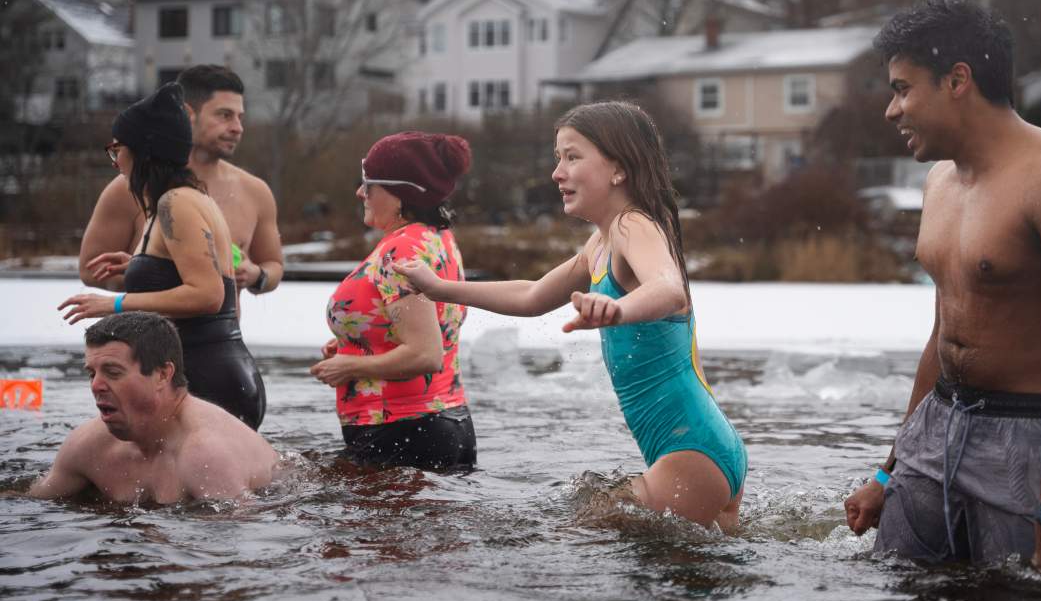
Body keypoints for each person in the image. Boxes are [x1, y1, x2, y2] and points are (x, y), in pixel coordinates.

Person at [842, 0, 1041, 573]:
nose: (892, 110)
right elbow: (943, 334)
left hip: (1025, 435)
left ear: (957, 80)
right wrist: (886, 471)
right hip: (936, 428)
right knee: (904, 596)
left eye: (902, 89)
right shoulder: (940, 181)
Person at [401, 102, 747, 531]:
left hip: (690, 453)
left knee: (570, 536)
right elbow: (531, 296)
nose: (556, 172)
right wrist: (440, 288)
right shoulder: (600, 243)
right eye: (557, 158)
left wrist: (618, 309)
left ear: (618, 169)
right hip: (702, 449)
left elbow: (668, 286)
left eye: (572, 156)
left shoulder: (632, 225)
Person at [58, 82, 268, 429]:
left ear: (142, 150)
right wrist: (141, 267)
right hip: (220, 376)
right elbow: (195, 271)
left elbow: (208, 295)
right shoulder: (179, 200)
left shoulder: (176, 204)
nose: (115, 160)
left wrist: (114, 304)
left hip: (209, 381)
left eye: (117, 149)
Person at [310, 132, 475, 470]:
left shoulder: (401, 251)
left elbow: (426, 353)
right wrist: (355, 343)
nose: (360, 193)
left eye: (368, 184)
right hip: (445, 420)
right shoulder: (438, 238)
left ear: (401, 194)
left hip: (401, 428)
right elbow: (428, 328)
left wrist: (350, 366)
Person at [28, 312, 277, 504]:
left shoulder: (205, 455)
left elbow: (246, 546)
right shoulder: (87, 446)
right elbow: (32, 505)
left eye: (113, 373)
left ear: (162, 375)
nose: (96, 385)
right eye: (91, 374)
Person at [79, 65, 283, 298]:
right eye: (224, 115)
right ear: (188, 113)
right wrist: (158, 277)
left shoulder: (255, 191)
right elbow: (89, 269)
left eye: (240, 117)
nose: (238, 128)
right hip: (149, 332)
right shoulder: (128, 188)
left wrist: (257, 276)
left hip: (221, 333)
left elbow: (274, 264)